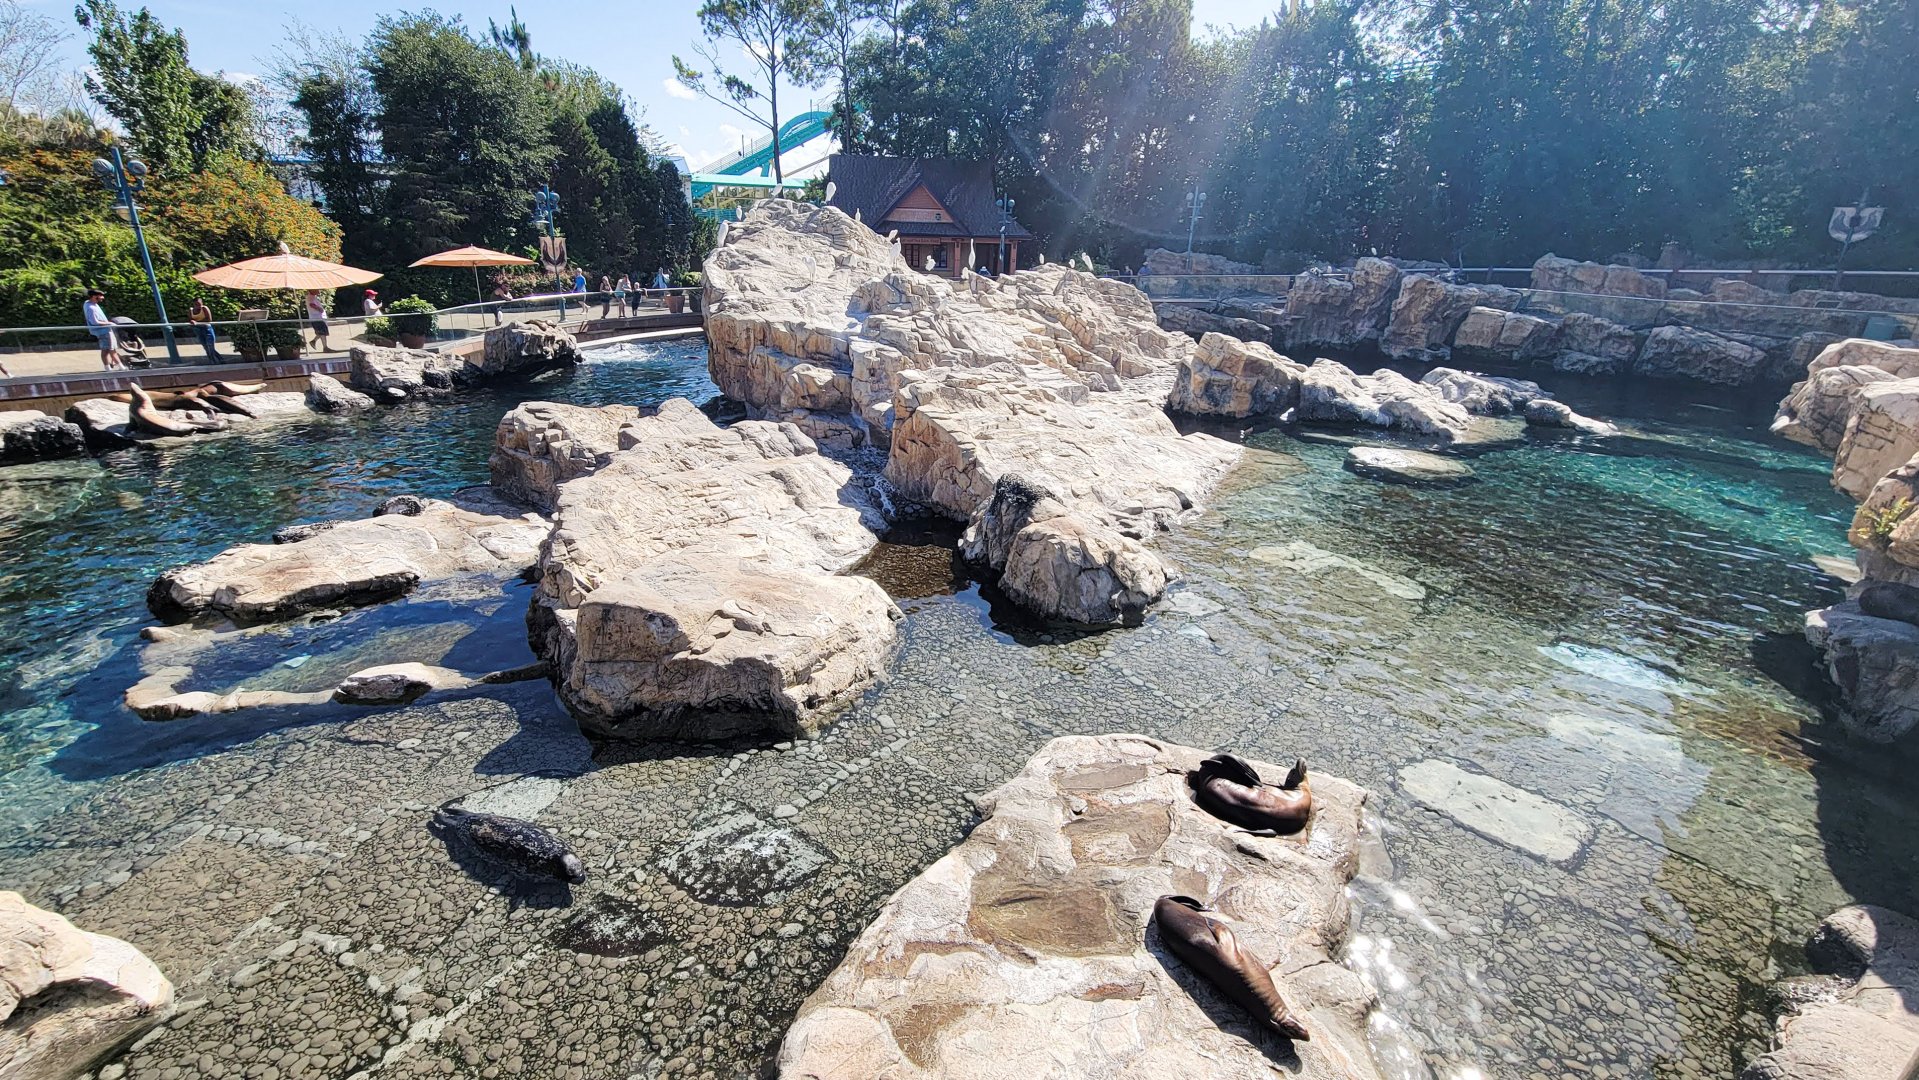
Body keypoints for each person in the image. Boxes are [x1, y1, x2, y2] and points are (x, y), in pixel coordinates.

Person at [82, 289, 124, 371]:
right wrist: (109, 323)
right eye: (100, 295)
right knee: (110, 349)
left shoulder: (89, 303)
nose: (102, 297)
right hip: (104, 331)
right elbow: (94, 322)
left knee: (107, 349)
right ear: (94, 296)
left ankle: (109, 367)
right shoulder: (91, 307)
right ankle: (120, 367)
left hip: (103, 330)